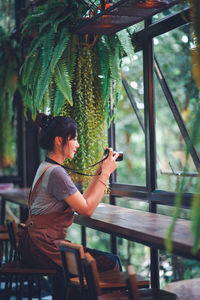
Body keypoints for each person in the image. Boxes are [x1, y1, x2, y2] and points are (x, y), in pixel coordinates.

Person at [18, 113, 120, 299]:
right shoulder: (57, 173)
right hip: (45, 249)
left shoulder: (47, 167)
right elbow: (87, 210)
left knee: (99, 260)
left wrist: (99, 172)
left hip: (35, 245)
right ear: (59, 141)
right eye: (74, 139)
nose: (78, 144)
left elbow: (82, 202)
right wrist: (105, 175)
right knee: (111, 262)